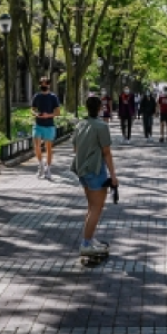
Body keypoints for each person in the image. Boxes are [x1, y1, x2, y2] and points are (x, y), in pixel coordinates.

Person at [71, 95, 119, 256]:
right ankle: (85, 243)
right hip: (96, 170)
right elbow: (106, 152)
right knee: (96, 209)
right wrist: (113, 176)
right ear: (100, 108)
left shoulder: (80, 124)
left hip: (82, 170)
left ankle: (90, 239)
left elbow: (75, 148)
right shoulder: (101, 126)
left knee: (91, 207)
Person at [31, 76, 61, 180]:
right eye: (42, 83)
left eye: (46, 82)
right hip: (38, 124)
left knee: (48, 148)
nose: (44, 84)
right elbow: (32, 109)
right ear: (40, 84)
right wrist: (36, 114)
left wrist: (48, 115)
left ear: (49, 84)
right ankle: (41, 166)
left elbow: (58, 112)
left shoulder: (53, 97)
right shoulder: (37, 96)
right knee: (37, 146)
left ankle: (48, 169)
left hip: (49, 125)